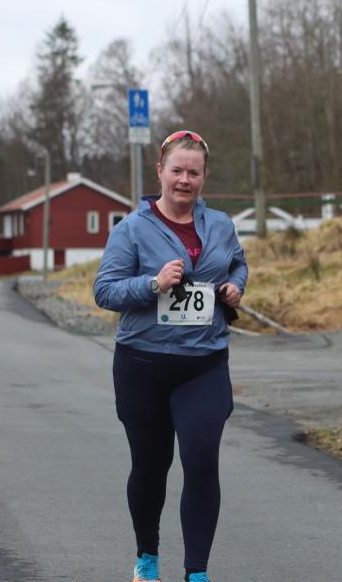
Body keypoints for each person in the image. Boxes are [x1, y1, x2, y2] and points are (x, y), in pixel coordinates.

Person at [94, 131, 246, 582]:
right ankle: (147, 557)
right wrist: (153, 283)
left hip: (204, 363)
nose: (184, 180)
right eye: (176, 170)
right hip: (143, 365)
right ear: (160, 171)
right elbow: (105, 291)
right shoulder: (132, 230)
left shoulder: (220, 224)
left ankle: (196, 572)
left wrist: (236, 285)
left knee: (201, 458)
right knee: (151, 465)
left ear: (203, 177)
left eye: (193, 173)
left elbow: (237, 262)